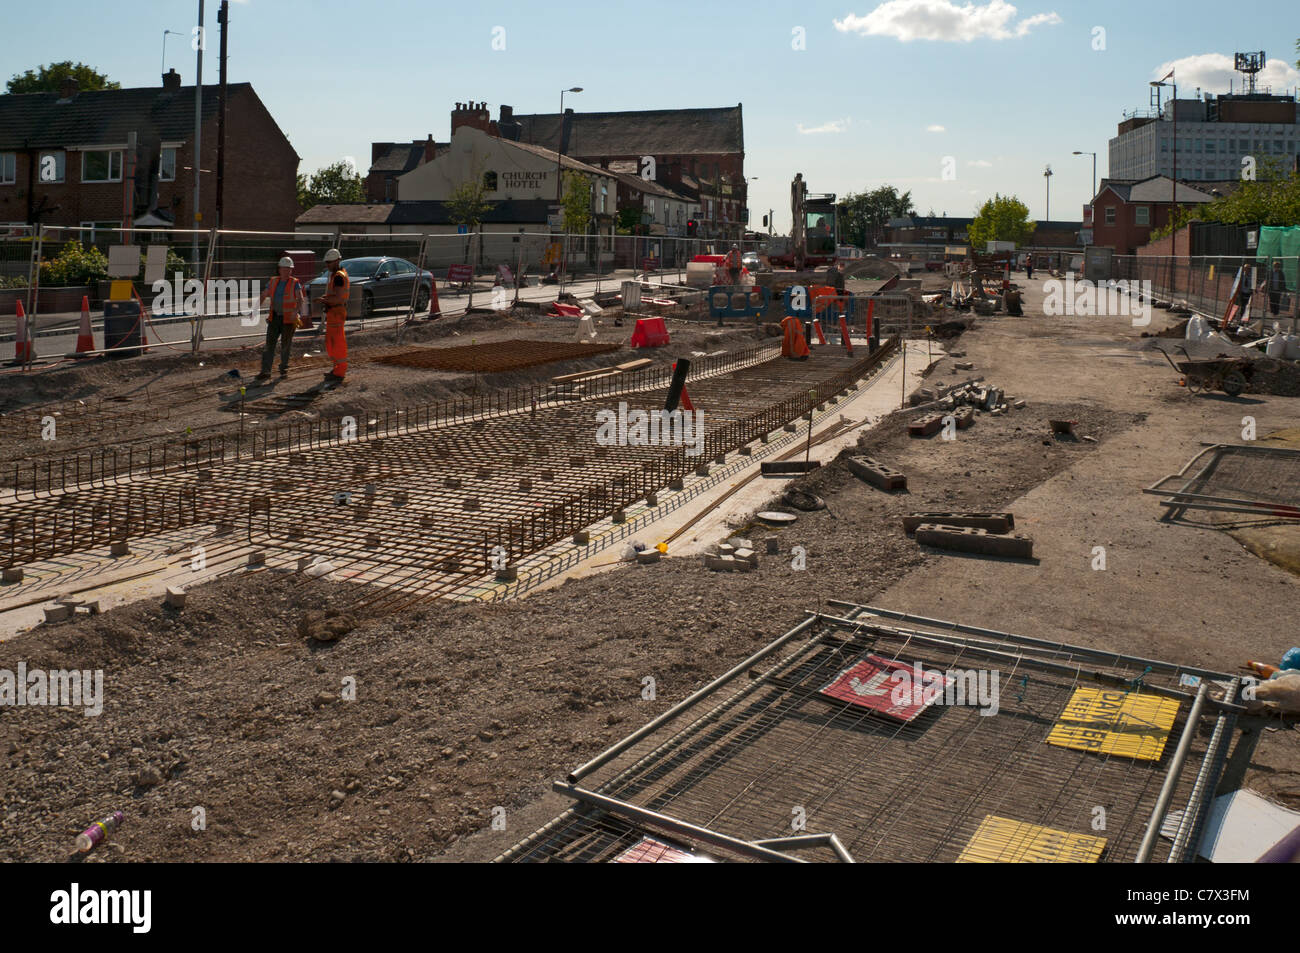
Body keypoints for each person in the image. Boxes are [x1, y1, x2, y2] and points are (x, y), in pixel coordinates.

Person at [255, 257, 306, 382]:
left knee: (285, 346)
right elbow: (263, 294)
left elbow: (300, 299)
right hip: (275, 318)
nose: (287, 271)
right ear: (279, 269)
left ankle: (284, 370)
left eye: (289, 269)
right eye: (285, 268)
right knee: (269, 346)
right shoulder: (273, 282)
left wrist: (295, 312)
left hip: (288, 320)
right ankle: (266, 371)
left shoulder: (295, 283)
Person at [319, 248, 350, 384]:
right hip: (334, 312)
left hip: (337, 312)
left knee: (337, 343)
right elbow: (336, 296)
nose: (327, 265)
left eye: (329, 263)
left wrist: (324, 300)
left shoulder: (338, 276)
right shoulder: (336, 275)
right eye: (327, 263)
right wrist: (326, 299)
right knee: (331, 342)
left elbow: (338, 299)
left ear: (337, 261)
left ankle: (340, 371)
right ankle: (337, 368)